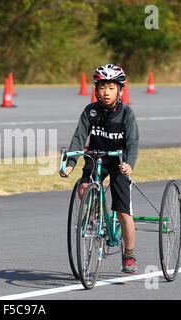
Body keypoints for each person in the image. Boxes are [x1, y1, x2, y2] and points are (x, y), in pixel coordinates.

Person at [60, 64, 139, 273]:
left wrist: (130, 163)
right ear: (96, 89)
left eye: (112, 88)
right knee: (83, 188)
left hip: (119, 163)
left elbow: (133, 142)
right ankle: (93, 216)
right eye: (102, 87)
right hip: (95, 159)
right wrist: (70, 164)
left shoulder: (126, 114)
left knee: (123, 212)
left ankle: (129, 254)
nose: (106, 92)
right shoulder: (90, 111)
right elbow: (79, 138)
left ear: (120, 90)